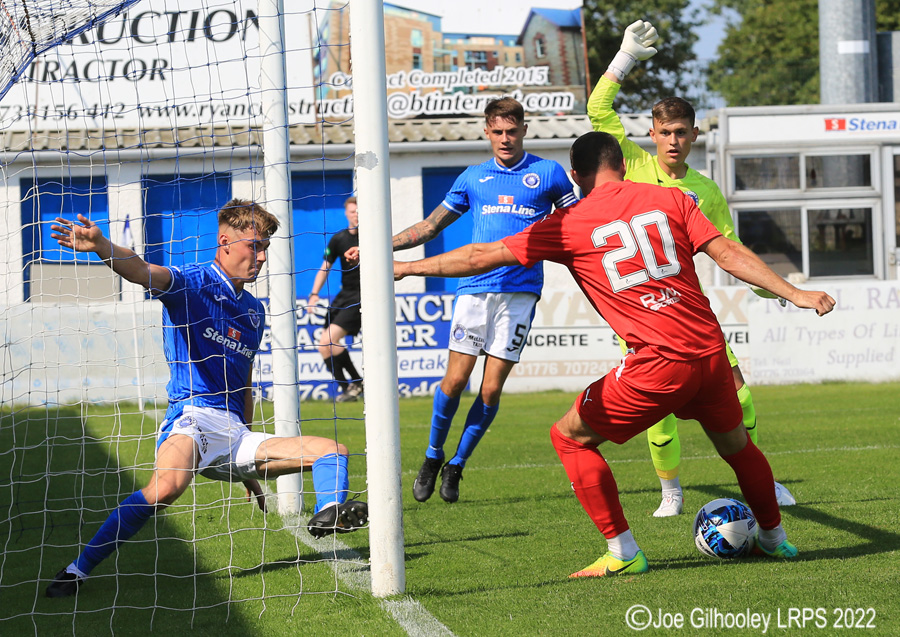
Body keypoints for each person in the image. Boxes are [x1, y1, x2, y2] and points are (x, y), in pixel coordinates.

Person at [394, 131, 835, 577]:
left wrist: (408, 267)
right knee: (737, 447)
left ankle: (623, 553)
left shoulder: (568, 223)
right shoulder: (672, 198)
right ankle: (774, 540)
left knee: (569, 437)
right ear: (622, 166)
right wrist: (794, 292)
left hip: (658, 363)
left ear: (575, 176)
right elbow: (728, 253)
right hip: (710, 353)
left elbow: (478, 257)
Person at [45, 199, 368, 598]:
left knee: (333, 450)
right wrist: (102, 247)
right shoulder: (192, 284)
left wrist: (248, 469)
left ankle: (330, 514)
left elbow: (243, 384)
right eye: (255, 246)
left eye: (266, 248)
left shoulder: (254, 311)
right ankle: (77, 570)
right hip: (192, 419)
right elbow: (142, 271)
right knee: (166, 489)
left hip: (235, 434)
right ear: (225, 242)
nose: (262, 257)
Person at [587, 20, 796, 517]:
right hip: (640, 313)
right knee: (658, 414)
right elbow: (597, 109)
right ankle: (671, 491)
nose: (673, 140)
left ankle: (760, 478)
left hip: (691, 315)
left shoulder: (705, 190)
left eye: (681, 132)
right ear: (652, 135)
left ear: (695, 134)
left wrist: (775, 289)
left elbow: (730, 248)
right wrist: (624, 58)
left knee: (742, 398)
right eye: (664, 133)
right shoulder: (634, 166)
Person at [392, 97, 578, 503]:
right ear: (487, 132)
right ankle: (432, 455)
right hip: (474, 291)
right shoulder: (473, 177)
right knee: (455, 381)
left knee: (491, 390)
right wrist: (383, 245)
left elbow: (577, 225)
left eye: (512, 131)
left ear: (524, 130)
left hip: (520, 294)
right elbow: (430, 227)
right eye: (498, 132)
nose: (505, 139)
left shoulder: (549, 174)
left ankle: (457, 464)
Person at [308, 196, 364, 402]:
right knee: (324, 347)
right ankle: (348, 389)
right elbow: (325, 267)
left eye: (359, 211)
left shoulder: (370, 237)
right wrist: (314, 294)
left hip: (362, 296)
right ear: (347, 214)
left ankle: (358, 382)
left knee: (329, 340)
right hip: (343, 296)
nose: (356, 215)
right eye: (352, 211)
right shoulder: (338, 239)